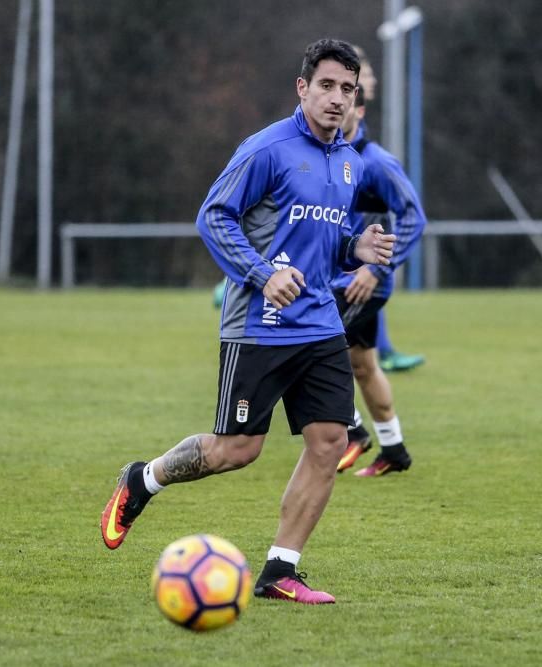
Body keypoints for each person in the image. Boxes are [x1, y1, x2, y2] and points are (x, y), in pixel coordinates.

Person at [100, 39, 396, 605]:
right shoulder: (267, 149)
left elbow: (318, 237)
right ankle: (143, 479)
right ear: (302, 88)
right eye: (327, 86)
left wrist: (354, 245)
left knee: (330, 441)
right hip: (259, 325)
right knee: (236, 450)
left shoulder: (352, 162)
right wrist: (262, 275)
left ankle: (279, 572)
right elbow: (214, 217)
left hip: (319, 324)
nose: (337, 99)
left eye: (348, 90)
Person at [332, 84, 426, 476]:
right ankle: (395, 450)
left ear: (361, 110)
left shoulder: (377, 162)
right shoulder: (325, 156)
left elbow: (413, 219)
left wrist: (376, 269)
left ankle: (353, 431)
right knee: (363, 366)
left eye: (347, 100)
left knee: (308, 347)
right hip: (339, 278)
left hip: (363, 282)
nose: (337, 106)